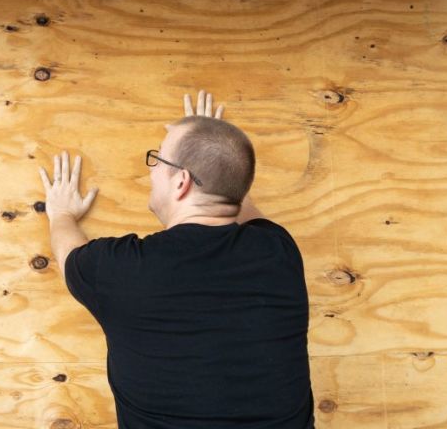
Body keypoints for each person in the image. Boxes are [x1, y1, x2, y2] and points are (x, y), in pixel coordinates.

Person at [38, 91, 314, 429]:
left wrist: (62, 213)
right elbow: (234, 200)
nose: (153, 171)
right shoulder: (277, 252)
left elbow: (68, 253)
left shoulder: (120, 270)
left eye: (157, 161)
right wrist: (215, 156)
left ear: (181, 181)